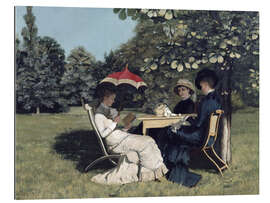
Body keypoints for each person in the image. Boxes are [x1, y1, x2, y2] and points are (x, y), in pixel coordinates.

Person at [90, 88, 168, 185]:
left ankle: (157, 171)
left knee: (149, 139)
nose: (113, 101)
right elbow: (103, 134)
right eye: (111, 99)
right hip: (115, 143)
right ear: (105, 98)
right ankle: (154, 172)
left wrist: (125, 128)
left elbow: (114, 130)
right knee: (145, 143)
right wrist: (114, 123)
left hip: (121, 137)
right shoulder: (99, 115)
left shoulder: (108, 112)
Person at [160, 68, 222, 187]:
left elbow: (198, 124)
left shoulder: (206, 101)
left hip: (199, 136)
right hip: (205, 135)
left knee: (170, 132)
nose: (201, 88)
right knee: (173, 134)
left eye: (201, 85)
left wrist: (188, 118)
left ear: (205, 83)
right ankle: (170, 165)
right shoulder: (216, 98)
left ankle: (170, 168)